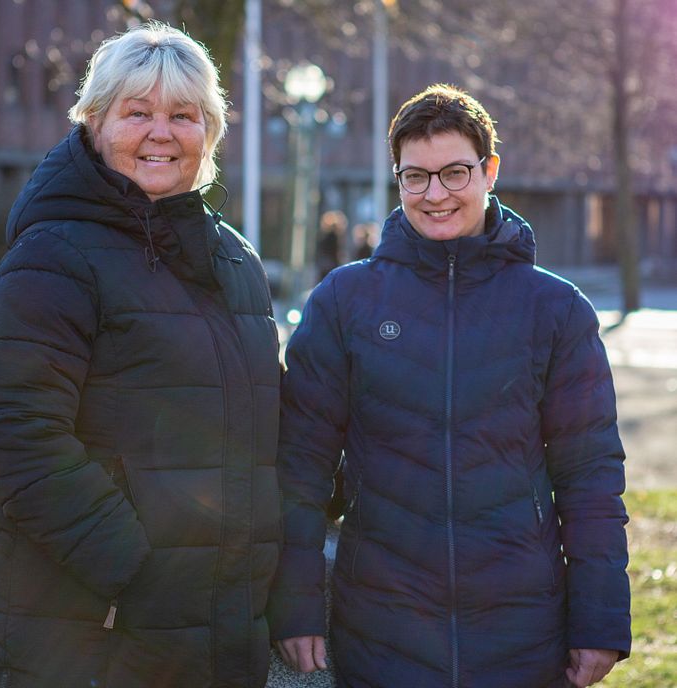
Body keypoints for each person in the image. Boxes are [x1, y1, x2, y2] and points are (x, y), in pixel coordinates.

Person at [0, 22, 281, 688]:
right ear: (95, 122)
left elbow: (257, 420)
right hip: (71, 630)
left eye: (183, 115)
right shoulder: (52, 257)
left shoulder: (233, 258)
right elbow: (15, 434)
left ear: (208, 133)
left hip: (201, 633)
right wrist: (134, 569)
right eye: (138, 113)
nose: (162, 132)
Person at [267, 83, 630, 688]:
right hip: (379, 630)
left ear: (490, 171)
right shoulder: (343, 300)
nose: (434, 195)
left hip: (523, 632)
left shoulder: (557, 309)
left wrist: (599, 619)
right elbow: (298, 467)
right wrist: (296, 603)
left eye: (455, 173)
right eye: (416, 177)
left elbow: (590, 475)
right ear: (397, 179)